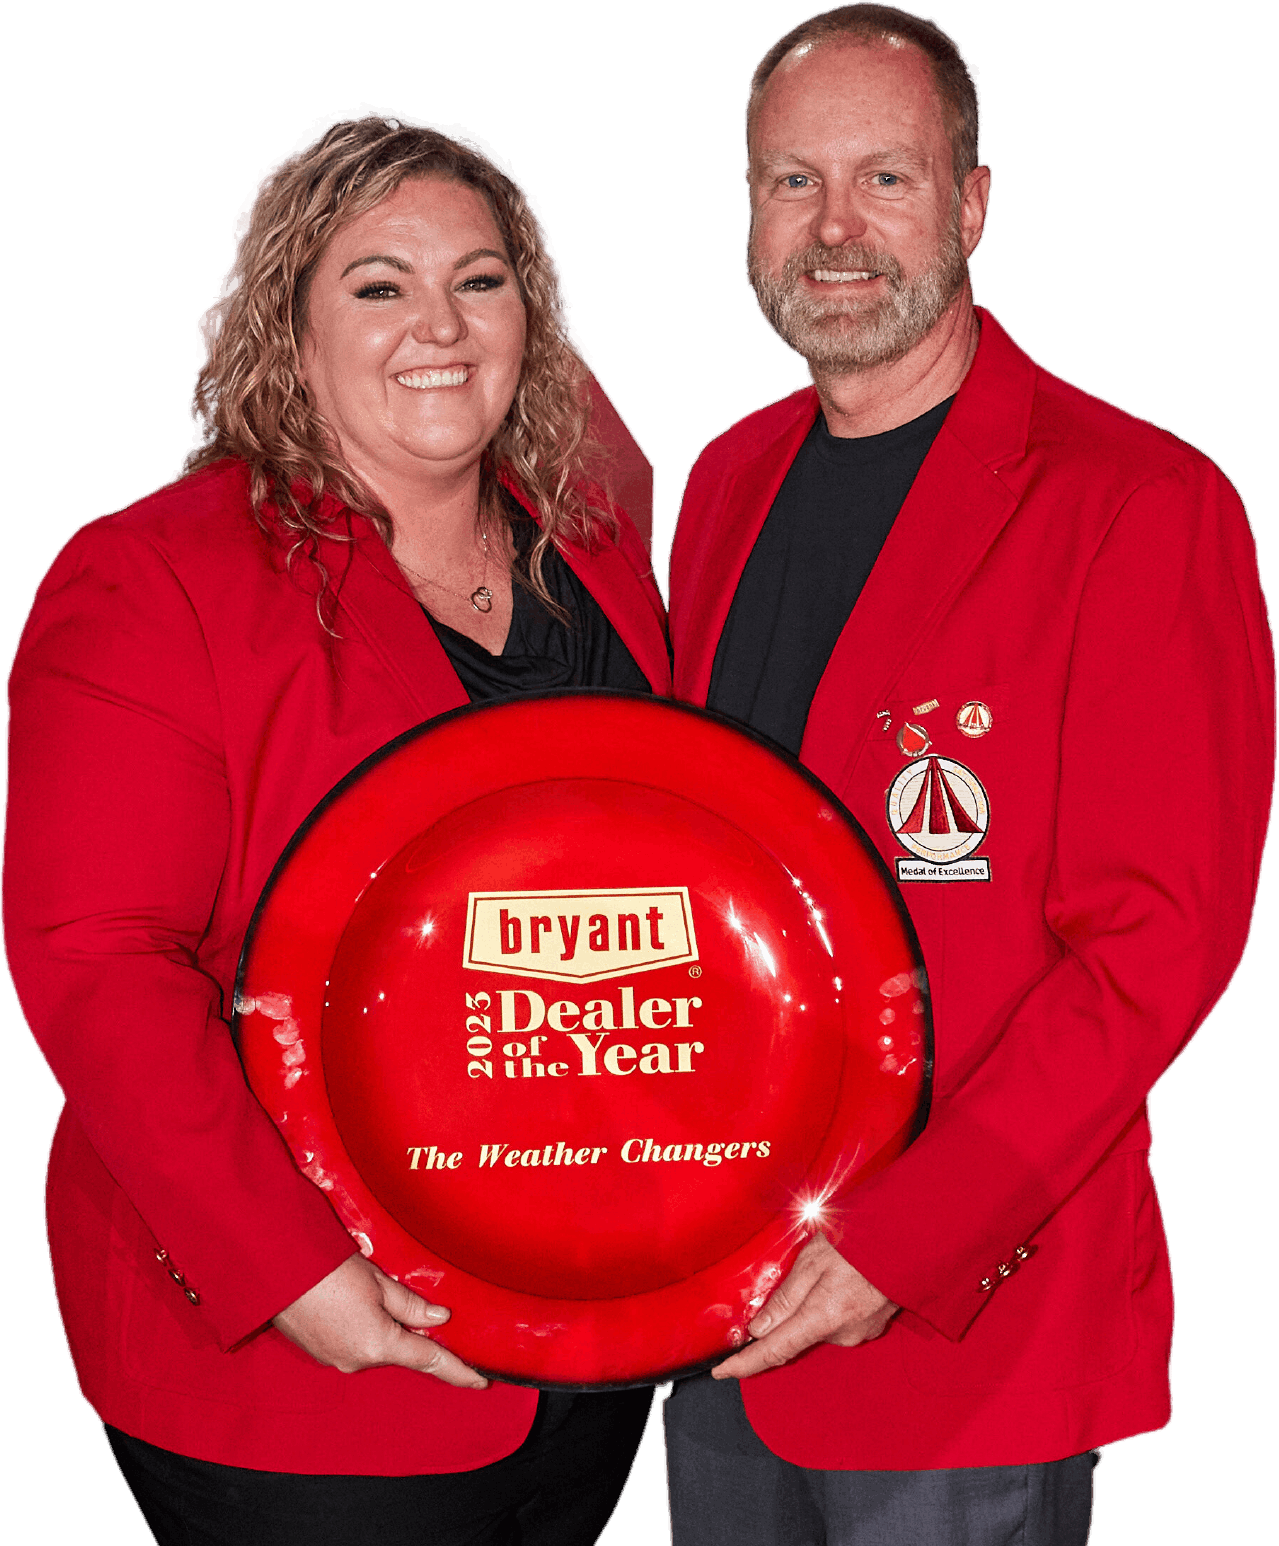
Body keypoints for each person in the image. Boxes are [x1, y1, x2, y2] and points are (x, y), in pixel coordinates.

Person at [3, 110, 670, 1545]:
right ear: (288, 333)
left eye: (480, 281)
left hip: (585, 1333)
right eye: (378, 284)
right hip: (302, 1357)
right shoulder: (149, 580)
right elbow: (96, 955)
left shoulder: (599, 550)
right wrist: (290, 1269)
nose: (439, 323)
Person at [663, 6, 1274, 1543]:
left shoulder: (1139, 501)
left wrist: (903, 1242)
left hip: (960, 1333)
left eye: (886, 177)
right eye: (791, 183)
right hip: (706, 1311)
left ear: (974, 202)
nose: (836, 230)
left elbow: (1156, 942)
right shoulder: (722, 481)